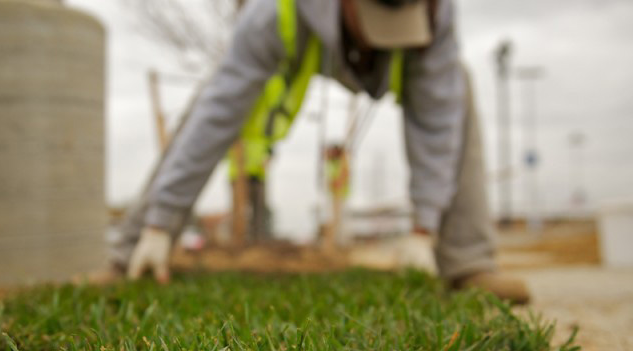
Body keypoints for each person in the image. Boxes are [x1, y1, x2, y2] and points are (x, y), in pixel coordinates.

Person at [115, 0, 531, 304]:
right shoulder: (273, 14)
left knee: (459, 85)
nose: (382, 34)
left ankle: (468, 262)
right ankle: (130, 253)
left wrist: (423, 229)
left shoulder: (436, 14)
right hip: (302, 32)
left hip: (414, 58)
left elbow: (438, 124)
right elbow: (216, 119)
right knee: (211, 97)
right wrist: (162, 222)